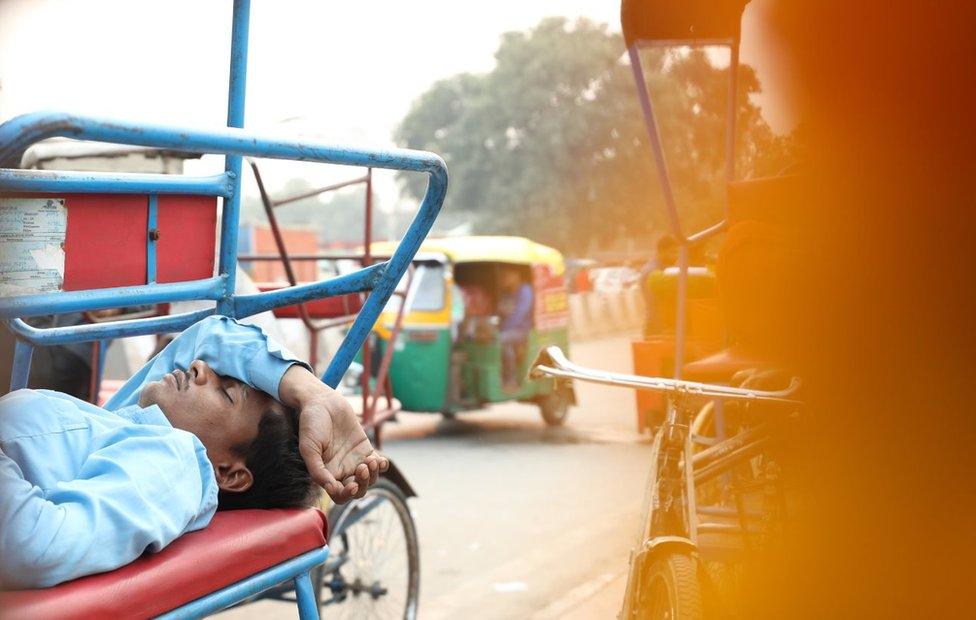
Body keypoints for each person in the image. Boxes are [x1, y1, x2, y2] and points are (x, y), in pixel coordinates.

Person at [0, 315, 387, 589]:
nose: (201, 366)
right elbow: (209, 337)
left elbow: (35, 546)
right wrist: (311, 392)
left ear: (229, 473)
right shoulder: (137, 425)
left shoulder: (173, 460)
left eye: (226, 391)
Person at [497, 267, 533, 391]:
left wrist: (501, 330)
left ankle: (511, 379)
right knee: (500, 341)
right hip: (509, 330)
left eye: (506, 276)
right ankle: (505, 379)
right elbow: (501, 311)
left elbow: (519, 314)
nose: (504, 280)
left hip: (522, 330)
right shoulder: (507, 293)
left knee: (500, 340)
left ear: (516, 276)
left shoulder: (525, 291)